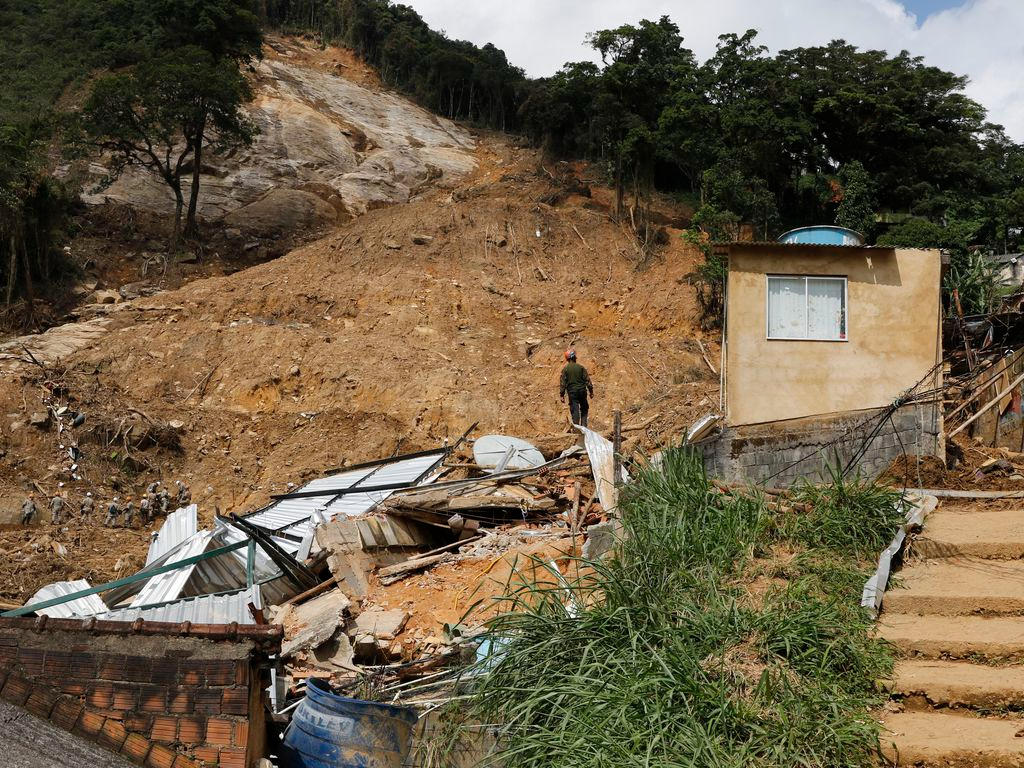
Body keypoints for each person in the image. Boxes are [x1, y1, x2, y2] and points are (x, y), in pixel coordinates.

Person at [559, 348, 594, 427]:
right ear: (574, 357)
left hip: (572, 392)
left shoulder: (565, 369)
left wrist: (562, 394)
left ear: (567, 359)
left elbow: (562, 383)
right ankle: (584, 426)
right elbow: (587, 380)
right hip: (582, 391)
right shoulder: (581, 368)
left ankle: (577, 428)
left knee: (575, 410)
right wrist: (591, 391)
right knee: (584, 408)